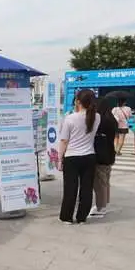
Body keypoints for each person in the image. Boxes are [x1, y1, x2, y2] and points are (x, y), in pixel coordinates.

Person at [58, 89, 101, 224]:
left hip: (72, 157)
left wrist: (59, 158)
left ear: (77, 101)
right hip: (89, 156)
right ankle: (82, 217)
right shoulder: (97, 117)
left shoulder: (70, 118)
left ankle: (67, 217)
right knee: (86, 189)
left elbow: (64, 140)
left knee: (70, 188)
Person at [90, 98, 117, 218]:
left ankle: (101, 207)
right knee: (105, 180)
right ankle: (105, 203)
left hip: (100, 155)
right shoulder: (112, 120)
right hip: (109, 153)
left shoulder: (100, 120)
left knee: (99, 183)